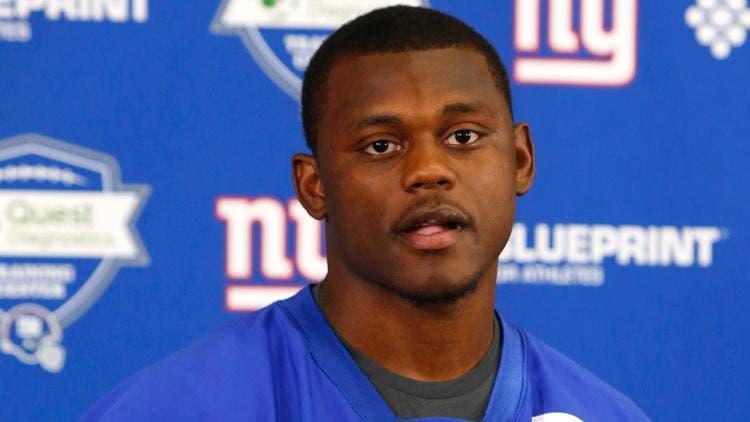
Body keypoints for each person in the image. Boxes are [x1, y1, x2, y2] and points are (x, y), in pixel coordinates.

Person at [84, 6, 649, 421]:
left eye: (463, 135)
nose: (429, 170)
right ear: (313, 185)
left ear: (520, 159)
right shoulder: (179, 408)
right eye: (382, 145)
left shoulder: (603, 414)